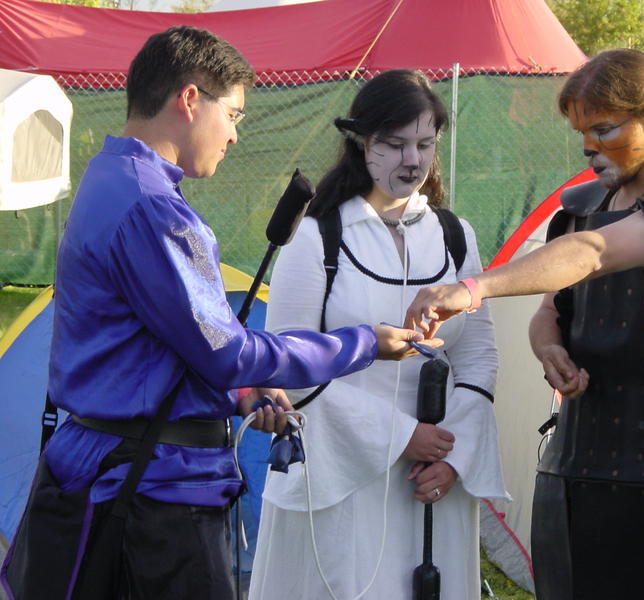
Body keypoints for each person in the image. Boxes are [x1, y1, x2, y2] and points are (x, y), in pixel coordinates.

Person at [0, 27, 435, 600]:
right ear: (188, 99)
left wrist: (242, 395)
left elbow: (157, 349)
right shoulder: (152, 209)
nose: (233, 134)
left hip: (114, 476)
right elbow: (229, 352)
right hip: (150, 497)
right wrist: (364, 343)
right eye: (232, 114)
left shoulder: (109, 179)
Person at [405, 49, 644, 600]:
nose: (588, 147)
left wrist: (475, 287)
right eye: (581, 132)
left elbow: (595, 253)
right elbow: (553, 310)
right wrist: (549, 347)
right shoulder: (584, 204)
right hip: (583, 471)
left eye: (603, 128)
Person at [248, 69, 508, 600]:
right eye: (393, 145)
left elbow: (478, 359)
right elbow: (286, 366)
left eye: (425, 144)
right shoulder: (315, 235)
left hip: (431, 489)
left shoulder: (456, 237)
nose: (412, 160)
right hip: (339, 484)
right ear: (360, 142)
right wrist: (397, 436)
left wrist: (453, 458)